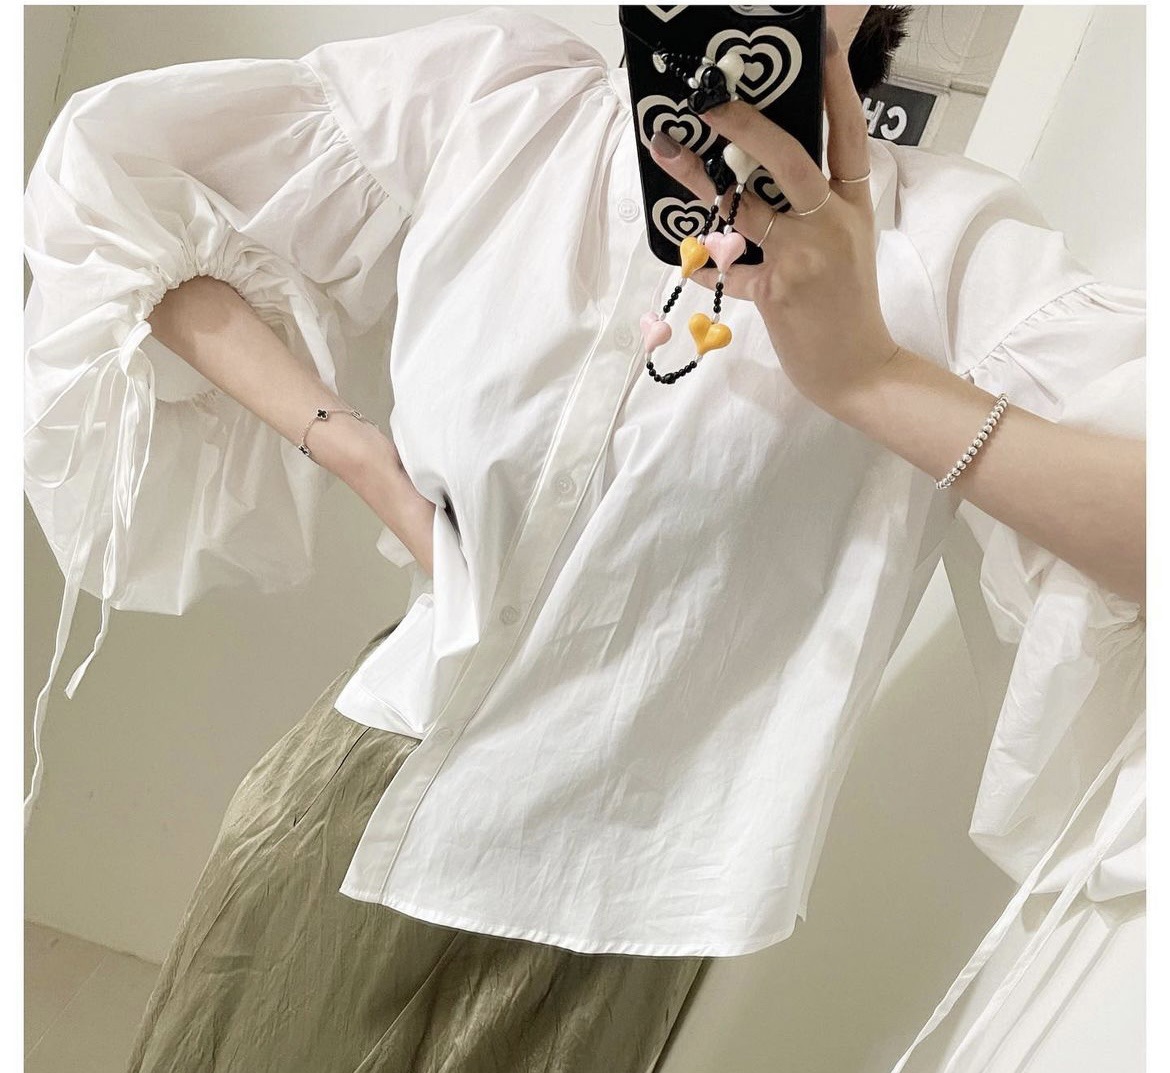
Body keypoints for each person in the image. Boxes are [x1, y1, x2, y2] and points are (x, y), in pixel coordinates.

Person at [23, 5, 1144, 1071]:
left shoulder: (951, 249)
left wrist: (871, 376)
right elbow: (115, 190)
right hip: (363, 795)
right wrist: (361, 455)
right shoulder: (501, 103)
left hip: (620, 914)